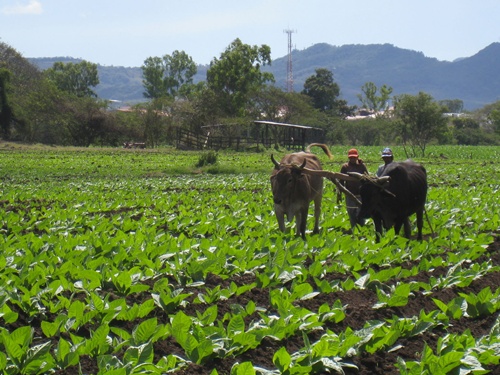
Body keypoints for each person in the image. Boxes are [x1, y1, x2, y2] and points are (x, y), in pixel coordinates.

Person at [340, 148, 368, 230]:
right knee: (351, 213)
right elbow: (341, 181)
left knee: (361, 213)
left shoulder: (362, 166)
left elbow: (367, 178)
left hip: (361, 194)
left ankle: (361, 229)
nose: (352, 159)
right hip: (350, 194)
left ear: (357, 157)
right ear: (349, 158)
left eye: (354, 157)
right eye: (351, 158)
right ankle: (354, 229)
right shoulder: (345, 167)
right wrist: (340, 193)